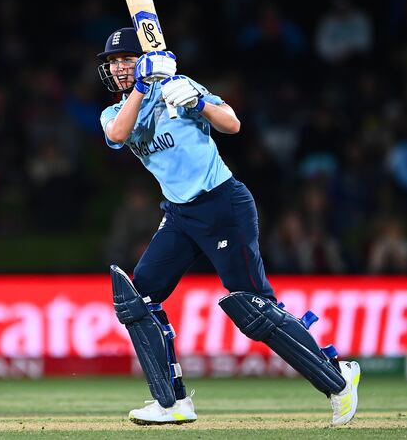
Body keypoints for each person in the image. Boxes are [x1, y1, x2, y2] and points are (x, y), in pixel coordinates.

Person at [97, 27, 361, 426]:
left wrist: (197, 100)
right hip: (181, 213)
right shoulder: (114, 111)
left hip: (223, 203)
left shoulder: (177, 86)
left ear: (143, 58)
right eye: (113, 63)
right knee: (141, 295)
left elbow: (232, 124)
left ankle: (336, 377)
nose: (118, 68)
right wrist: (143, 82)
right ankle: (172, 403)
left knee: (253, 307)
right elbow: (118, 134)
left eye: (126, 60)